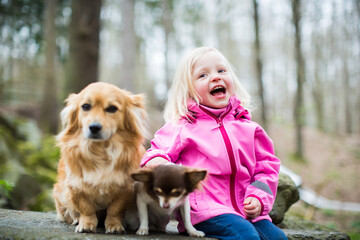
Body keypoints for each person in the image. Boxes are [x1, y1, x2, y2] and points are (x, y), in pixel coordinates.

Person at [141, 47, 287, 240]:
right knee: (246, 236)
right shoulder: (183, 127)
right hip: (204, 211)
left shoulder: (250, 129)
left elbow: (267, 168)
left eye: (221, 71)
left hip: (249, 211)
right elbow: (155, 153)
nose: (216, 77)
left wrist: (258, 197)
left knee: (278, 238)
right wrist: (162, 166)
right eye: (203, 75)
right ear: (189, 90)